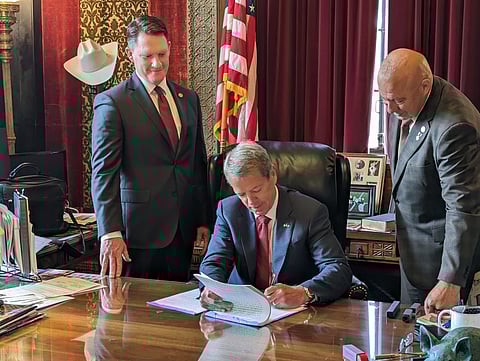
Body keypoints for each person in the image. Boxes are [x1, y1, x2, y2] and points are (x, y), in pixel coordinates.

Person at [91, 15, 209, 280]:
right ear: (131, 54)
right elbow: (103, 173)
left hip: (182, 231)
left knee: (178, 317)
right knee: (135, 318)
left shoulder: (188, 99)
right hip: (137, 236)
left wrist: (203, 218)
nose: (157, 63)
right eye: (147, 56)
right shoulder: (113, 102)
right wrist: (110, 232)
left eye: (162, 53)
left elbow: (196, 163)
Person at [378, 48, 480, 313]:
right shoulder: (402, 104)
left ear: (425, 86)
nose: (389, 109)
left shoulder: (454, 127)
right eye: (384, 100)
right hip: (413, 256)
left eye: (397, 100)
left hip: (441, 265)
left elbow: (463, 207)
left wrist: (450, 280)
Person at [199, 142, 352, 309]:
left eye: (256, 190)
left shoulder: (310, 212)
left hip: (294, 315)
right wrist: (212, 288)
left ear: (272, 175)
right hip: (241, 310)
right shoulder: (229, 210)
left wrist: (304, 292)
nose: (250, 202)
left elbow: (337, 267)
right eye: (241, 194)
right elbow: (214, 262)